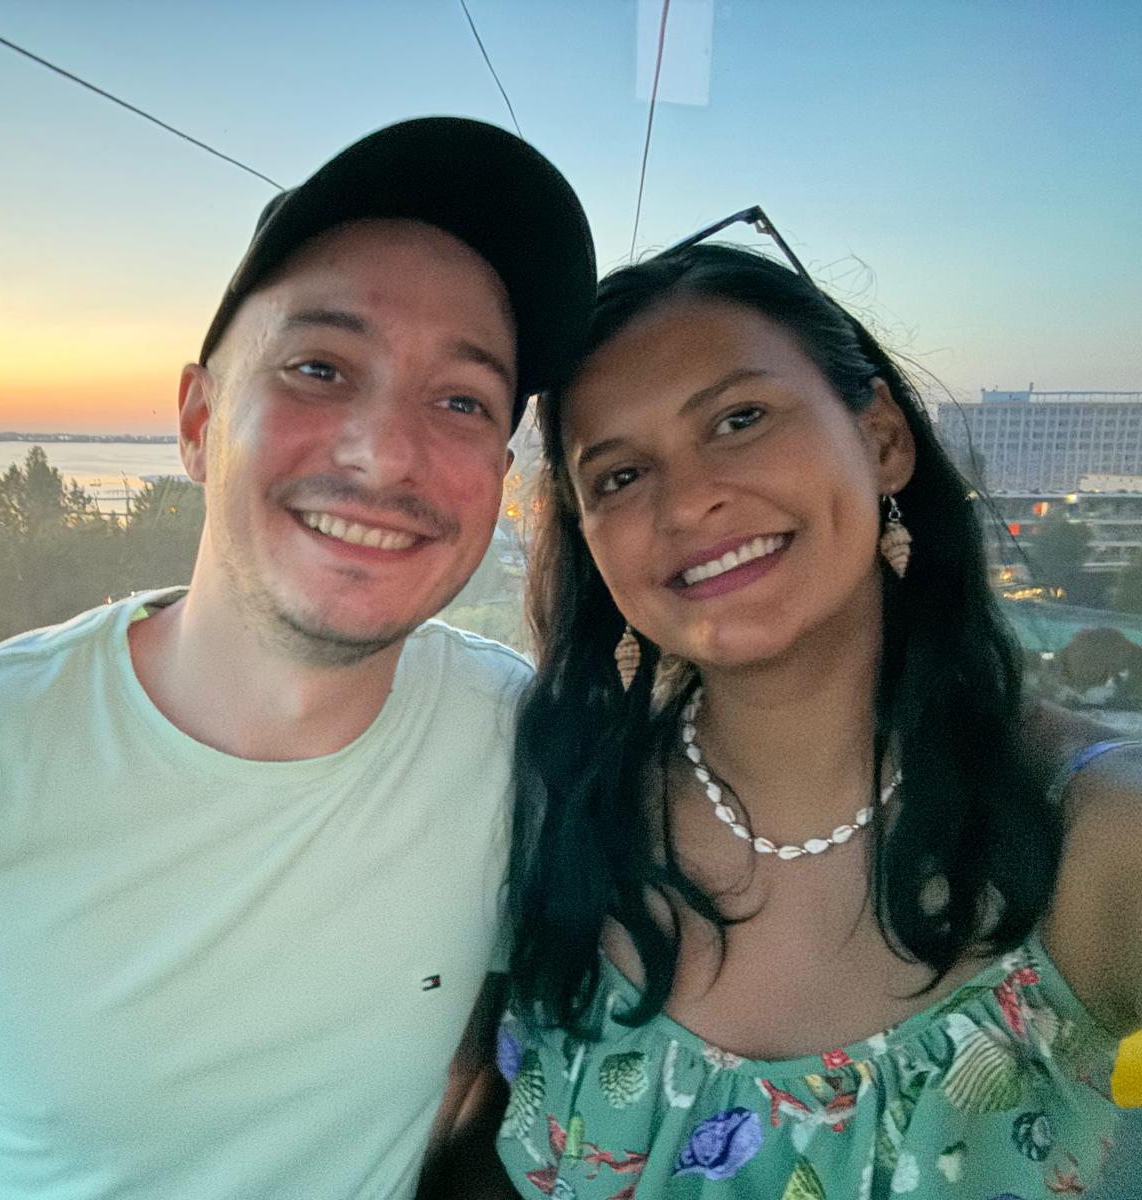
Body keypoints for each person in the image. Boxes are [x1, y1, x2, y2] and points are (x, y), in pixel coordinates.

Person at [0, 116, 596, 1200]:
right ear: (196, 419)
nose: (383, 453)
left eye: (460, 401)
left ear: (497, 471)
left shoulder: (517, 745)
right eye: (320, 368)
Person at [488, 228, 1141, 1197]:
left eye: (739, 419)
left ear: (880, 439)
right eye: (619, 475)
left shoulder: (1093, 835)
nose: (691, 500)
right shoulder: (558, 813)